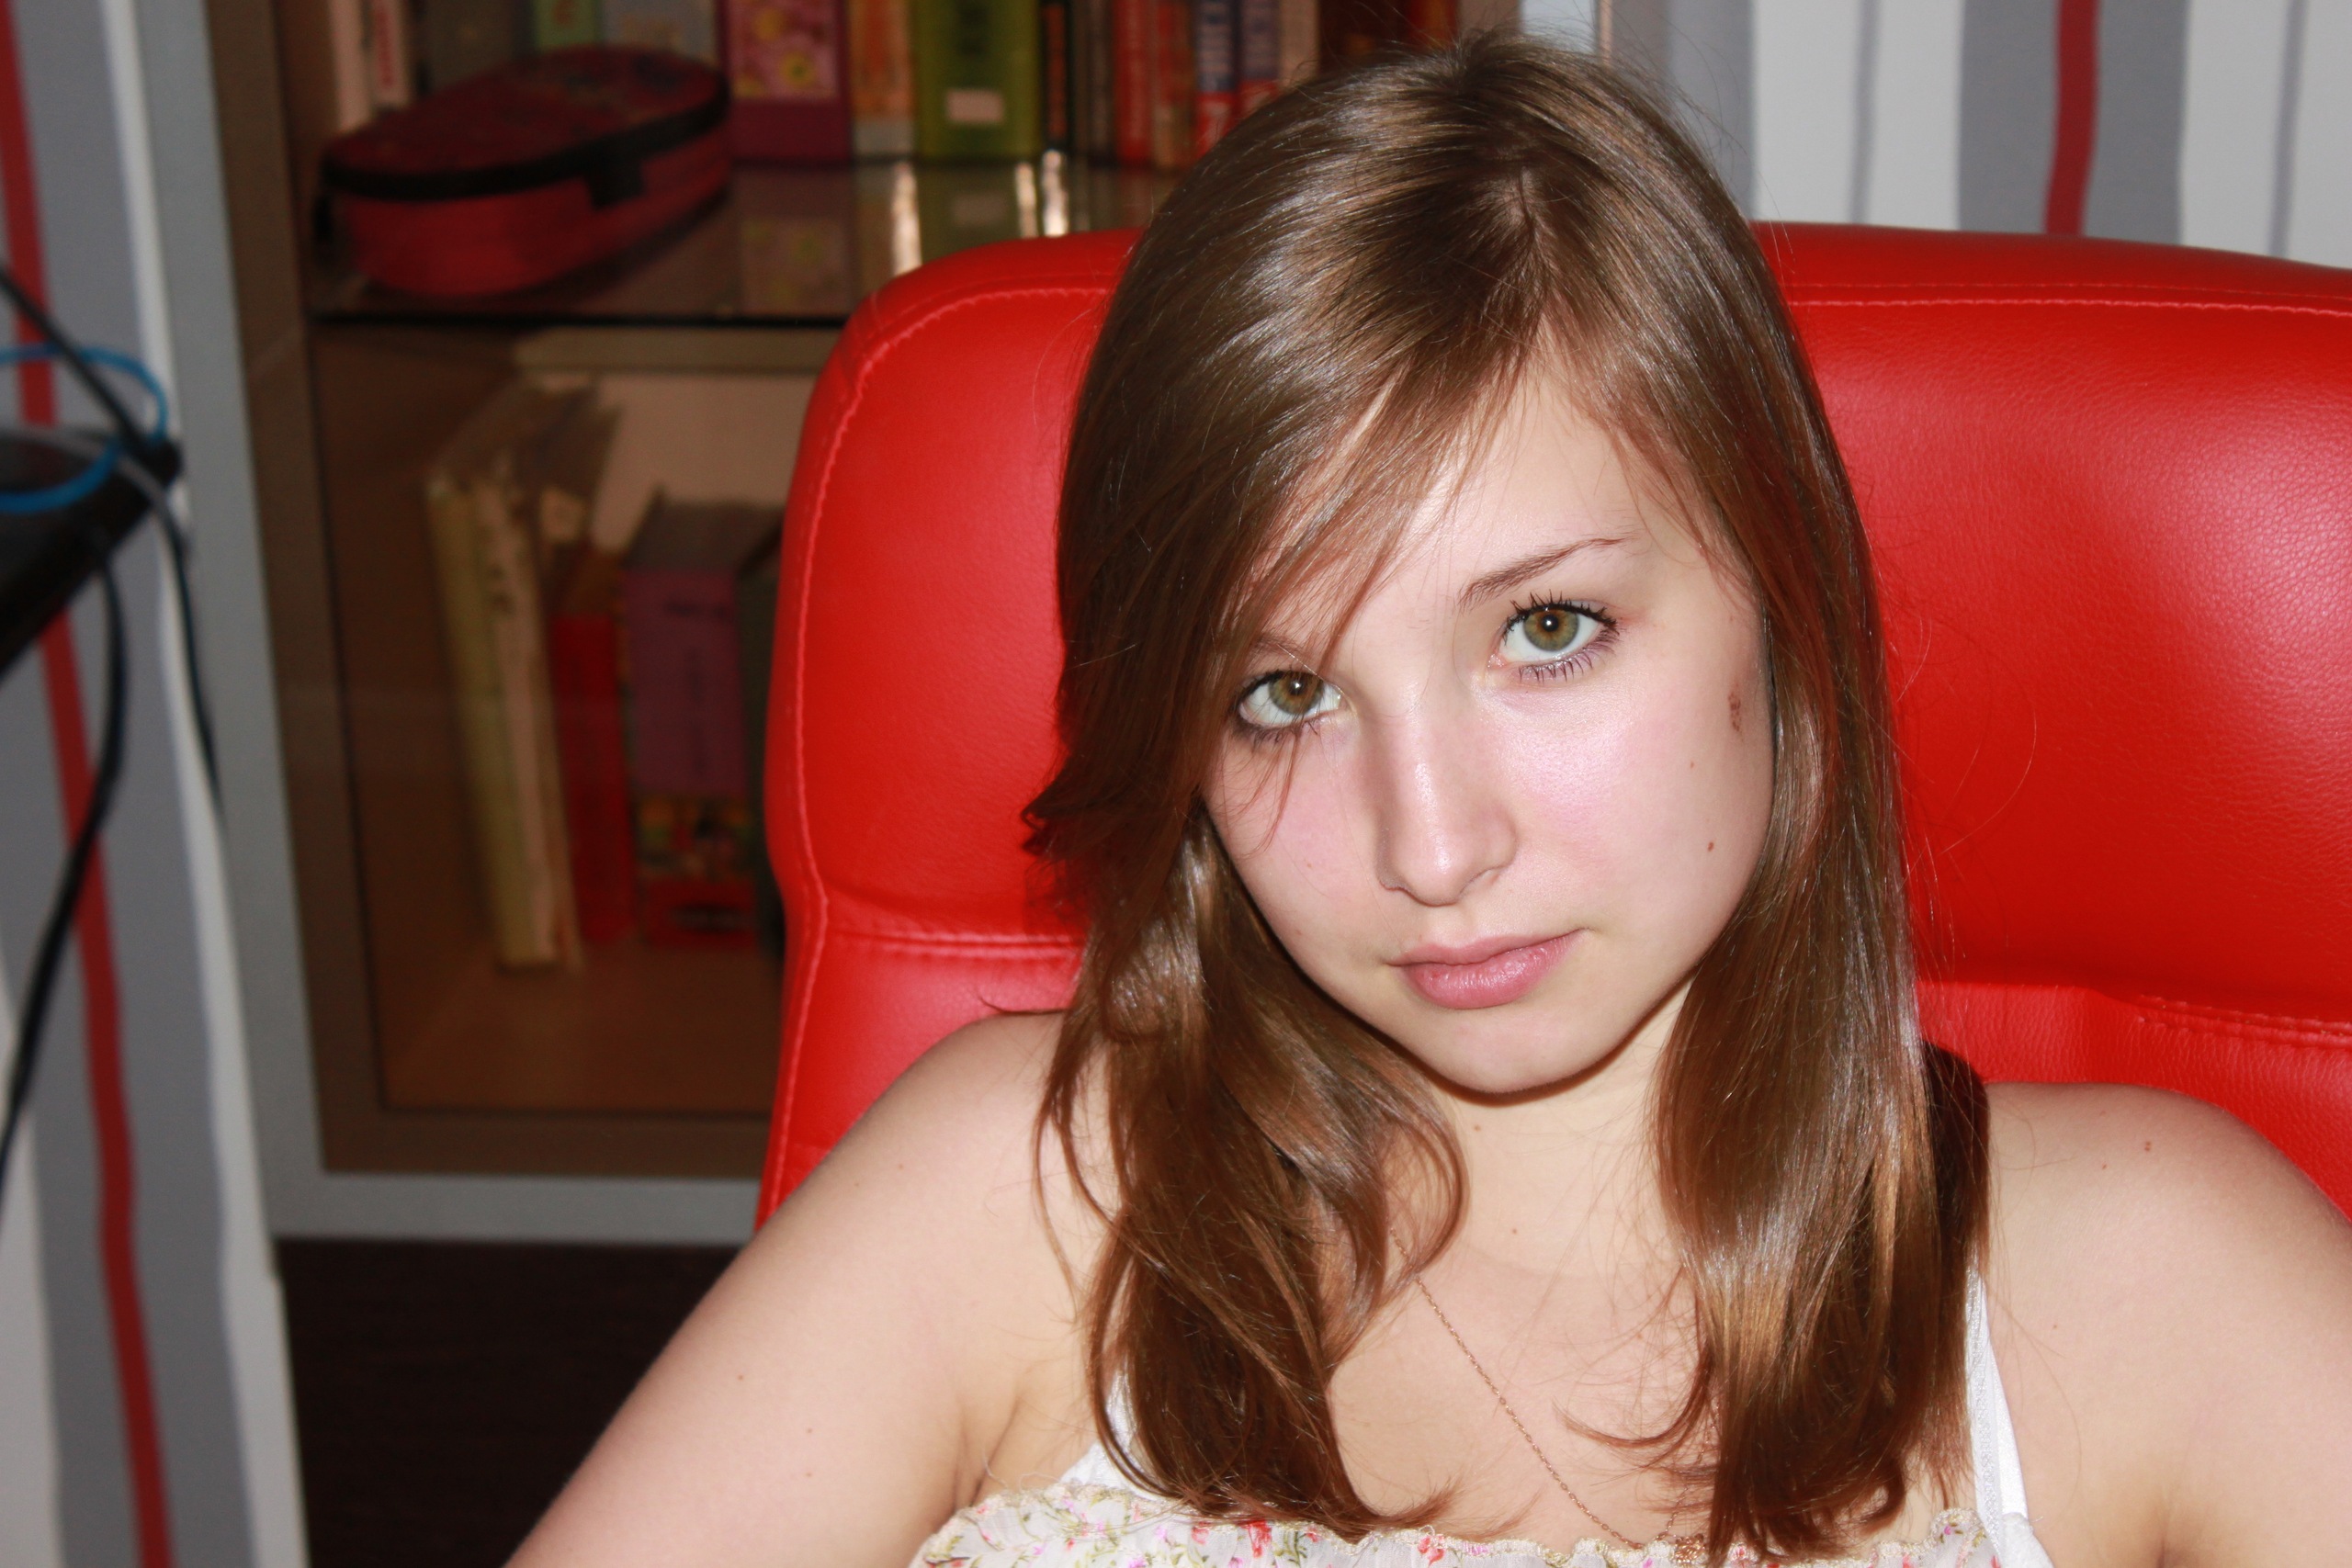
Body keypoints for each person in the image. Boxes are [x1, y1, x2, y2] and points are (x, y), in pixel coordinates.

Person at [511, 36, 2352, 1568]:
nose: (1431, 846)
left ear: (1781, 599)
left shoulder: (2150, 1286)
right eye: (1283, 693)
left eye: (1547, 631)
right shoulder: (1018, 1199)